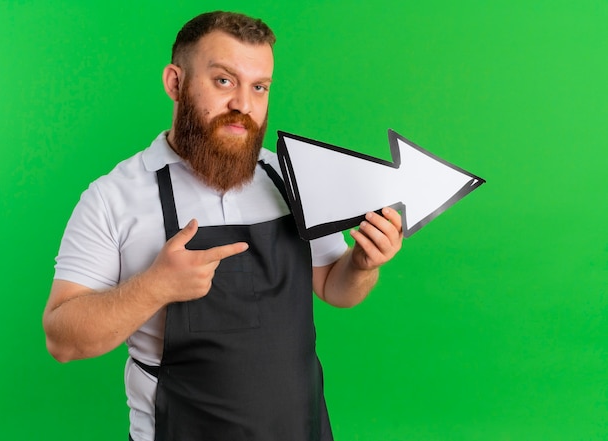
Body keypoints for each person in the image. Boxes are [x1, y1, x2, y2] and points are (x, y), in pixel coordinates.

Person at [43, 10, 403, 441]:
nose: (243, 106)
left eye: (259, 87)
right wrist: (156, 285)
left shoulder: (294, 180)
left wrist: (362, 264)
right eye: (224, 81)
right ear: (175, 83)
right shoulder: (113, 197)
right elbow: (62, 340)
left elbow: (335, 289)